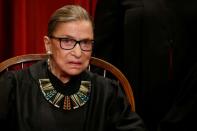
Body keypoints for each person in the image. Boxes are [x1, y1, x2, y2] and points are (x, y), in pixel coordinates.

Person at [0, 5, 146, 131]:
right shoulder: (14, 86)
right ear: (48, 44)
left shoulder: (107, 91)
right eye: (67, 41)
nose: (78, 53)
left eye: (85, 43)